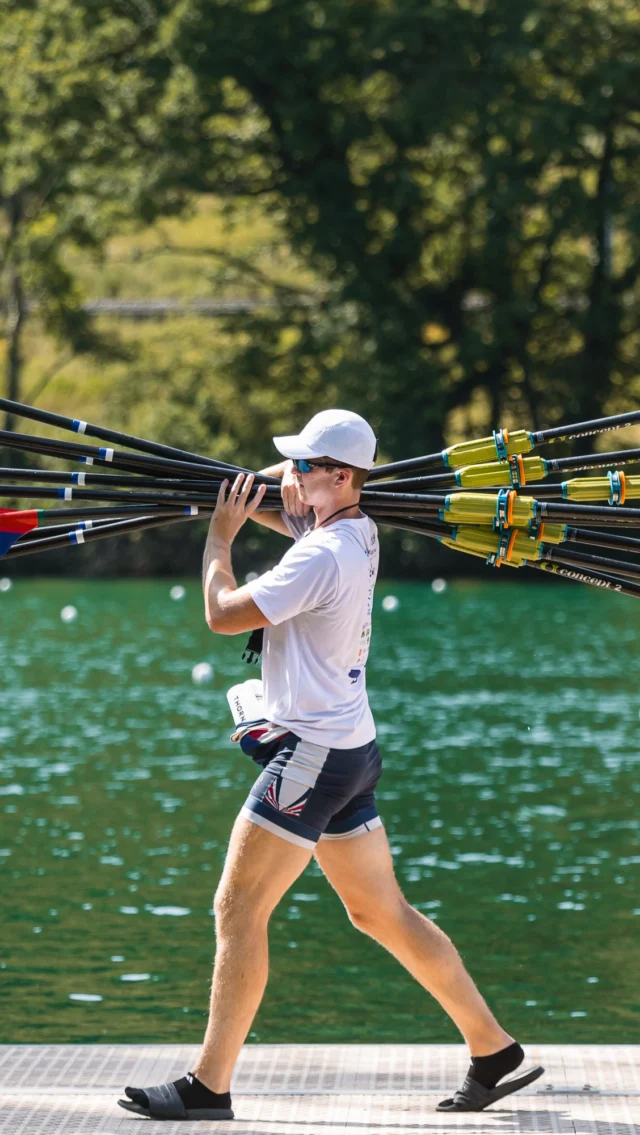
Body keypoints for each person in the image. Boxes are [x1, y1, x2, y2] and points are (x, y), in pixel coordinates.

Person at [118, 409, 543, 1121]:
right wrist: (273, 496)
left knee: (238, 907)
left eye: (305, 464)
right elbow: (291, 516)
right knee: (380, 912)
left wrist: (219, 536)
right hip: (349, 750)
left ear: (341, 476)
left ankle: (208, 1087)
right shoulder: (355, 530)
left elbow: (223, 614)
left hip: (314, 757)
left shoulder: (319, 556)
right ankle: (494, 1048)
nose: (292, 472)